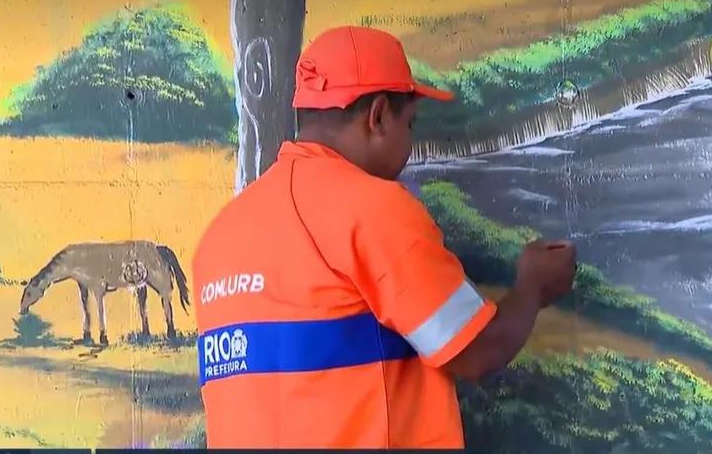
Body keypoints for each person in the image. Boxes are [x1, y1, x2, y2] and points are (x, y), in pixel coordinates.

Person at [191, 25, 578, 450]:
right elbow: (478, 352)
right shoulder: (372, 208)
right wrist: (534, 287)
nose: (410, 142)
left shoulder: (219, 236)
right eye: (409, 123)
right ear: (377, 116)